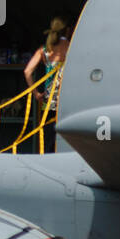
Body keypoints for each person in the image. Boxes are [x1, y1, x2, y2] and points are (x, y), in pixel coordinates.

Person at [24, 18, 69, 152]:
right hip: (65, 99)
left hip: (48, 100)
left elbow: (27, 72)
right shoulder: (68, 46)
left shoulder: (43, 50)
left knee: (47, 140)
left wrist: (36, 93)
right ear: (66, 31)